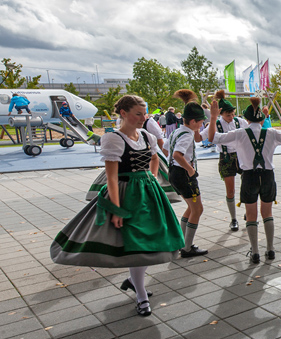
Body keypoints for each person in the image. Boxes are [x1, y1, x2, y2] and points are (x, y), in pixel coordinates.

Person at [51, 95, 183, 317]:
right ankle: (141, 295)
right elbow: (111, 178)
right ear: (123, 113)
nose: (143, 118)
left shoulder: (147, 136)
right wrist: (116, 209)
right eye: (138, 114)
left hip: (148, 193)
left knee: (153, 241)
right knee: (137, 245)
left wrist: (151, 178)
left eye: (144, 114)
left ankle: (134, 281)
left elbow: (154, 159)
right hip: (125, 194)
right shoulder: (113, 139)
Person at [209, 97, 281, 263]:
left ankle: (255, 252)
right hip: (268, 176)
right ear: (262, 119)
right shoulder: (271, 132)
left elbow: (213, 138)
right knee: (267, 213)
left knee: (251, 214)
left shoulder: (240, 133)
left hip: (249, 176)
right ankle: (270, 249)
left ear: (247, 119)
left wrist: (213, 117)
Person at [167, 89, 209, 258]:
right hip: (184, 175)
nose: (201, 125)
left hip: (175, 173)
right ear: (193, 121)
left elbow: (166, 149)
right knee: (197, 209)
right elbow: (177, 154)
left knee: (191, 208)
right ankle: (187, 247)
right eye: (200, 122)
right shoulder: (186, 135)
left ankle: (182, 242)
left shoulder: (178, 131)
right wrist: (190, 169)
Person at [200, 90, 247, 231]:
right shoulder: (215, 124)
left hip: (241, 156)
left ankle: (248, 212)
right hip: (226, 158)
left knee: (247, 186)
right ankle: (233, 219)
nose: (231, 117)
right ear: (221, 114)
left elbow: (254, 130)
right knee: (230, 190)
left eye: (232, 114)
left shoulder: (240, 122)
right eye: (228, 115)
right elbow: (199, 138)